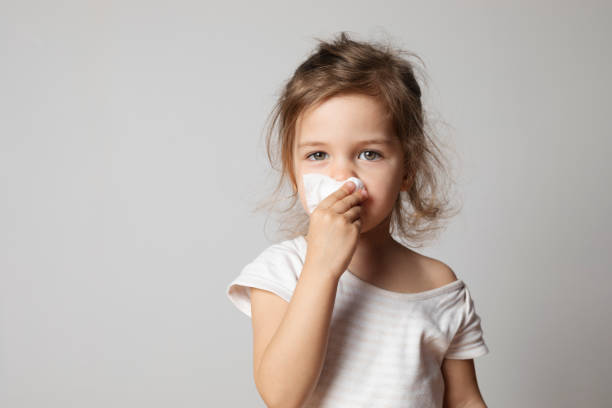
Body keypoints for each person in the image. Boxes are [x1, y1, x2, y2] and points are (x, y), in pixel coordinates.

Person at [226, 31, 490, 408]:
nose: (341, 177)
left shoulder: (439, 286)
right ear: (293, 169)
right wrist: (321, 268)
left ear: (407, 169)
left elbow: (464, 400)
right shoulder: (281, 271)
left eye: (369, 154)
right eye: (318, 155)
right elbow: (282, 396)